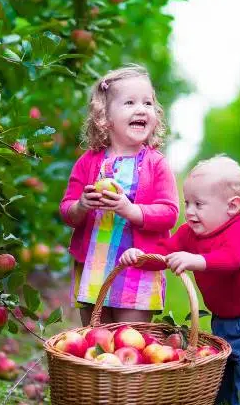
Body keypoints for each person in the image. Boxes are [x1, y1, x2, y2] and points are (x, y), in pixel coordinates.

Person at [119, 155, 240, 405]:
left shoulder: (238, 230)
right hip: (225, 318)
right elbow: (163, 253)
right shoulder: (188, 233)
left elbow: (229, 260)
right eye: (187, 203)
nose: (190, 212)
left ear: (232, 207)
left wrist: (196, 260)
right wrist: (140, 257)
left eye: (199, 205)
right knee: (226, 368)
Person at [60, 64, 179, 327]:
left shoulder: (156, 164)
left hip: (137, 267)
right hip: (94, 264)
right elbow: (67, 210)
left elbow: (170, 213)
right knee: (95, 339)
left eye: (148, 103)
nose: (141, 109)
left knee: (131, 338)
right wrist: (81, 206)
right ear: (105, 117)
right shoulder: (88, 162)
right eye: (130, 102)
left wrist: (131, 210)